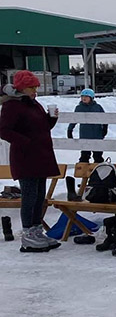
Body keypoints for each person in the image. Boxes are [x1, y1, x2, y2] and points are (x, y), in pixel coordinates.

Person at [0, 71, 62, 252]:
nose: (35, 90)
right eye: (31, 87)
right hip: (25, 157)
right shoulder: (12, 106)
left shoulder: (34, 104)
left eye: (36, 87)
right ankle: (28, 233)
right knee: (29, 195)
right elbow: (4, 130)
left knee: (39, 195)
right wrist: (25, 142)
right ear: (21, 88)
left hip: (40, 156)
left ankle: (36, 229)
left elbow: (41, 128)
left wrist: (51, 119)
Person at [67, 88, 107, 163]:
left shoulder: (97, 107)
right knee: (84, 156)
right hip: (85, 135)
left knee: (98, 156)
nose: (84, 98)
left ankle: (99, 171)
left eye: (86, 97)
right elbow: (74, 119)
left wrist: (105, 129)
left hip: (97, 135)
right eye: (82, 96)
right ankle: (83, 172)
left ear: (91, 98)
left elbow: (104, 118)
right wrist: (70, 130)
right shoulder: (79, 108)